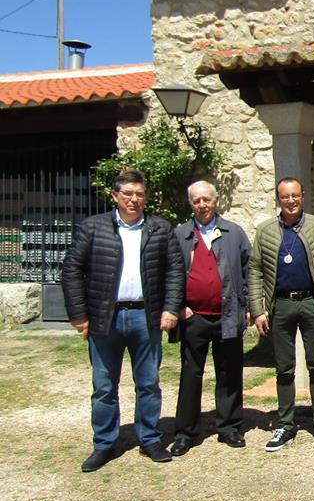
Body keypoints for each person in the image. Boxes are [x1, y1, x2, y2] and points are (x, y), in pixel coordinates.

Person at [62, 169, 183, 472]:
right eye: (128, 193)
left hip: (146, 316)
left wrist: (170, 308)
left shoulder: (159, 228)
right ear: (115, 196)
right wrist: (79, 314)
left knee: (149, 383)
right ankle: (104, 444)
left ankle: (149, 438)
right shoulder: (93, 228)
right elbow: (72, 271)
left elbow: (174, 271)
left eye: (139, 194)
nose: (134, 199)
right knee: (104, 385)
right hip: (106, 318)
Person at [249, 177, 314, 452]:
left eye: (295, 196)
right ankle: (285, 423)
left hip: (312, 303)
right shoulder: (265, 231)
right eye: (285, 196)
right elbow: (255, 270)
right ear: (278, 199)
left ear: (303, 196)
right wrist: (257, 310)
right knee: (284, 367)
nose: (290, 201)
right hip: (281, 305)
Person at [170, 180, 251, 456]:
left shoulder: (234, 232)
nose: (202, 205)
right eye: (196, 201)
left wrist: (248, 306)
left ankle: (229, 427)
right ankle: (185, 432)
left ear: (216, 201)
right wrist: (179, 306)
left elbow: (249, 270)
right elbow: (169, 274)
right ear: (190, 204)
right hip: (194, 318)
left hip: (228, 315)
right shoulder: (180, 234)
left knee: (229, 373)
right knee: (191, 375)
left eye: (206, 199)